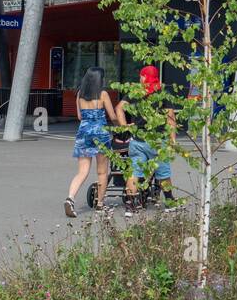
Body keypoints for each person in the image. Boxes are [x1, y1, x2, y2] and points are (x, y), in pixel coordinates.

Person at [112, 66, 181, 210]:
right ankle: (169, 203)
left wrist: (125, 126)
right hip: (158, 141)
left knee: (134, 173)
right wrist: (172, 138)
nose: (140, 79)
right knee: (163, 173)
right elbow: (170, 117)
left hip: (137, 141)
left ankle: (130, 205)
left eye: (141, 76)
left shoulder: (136, 93)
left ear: (145, 77)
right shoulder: (162, 94)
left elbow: (118, 108)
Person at [65, 67, 117, 218]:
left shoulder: (80, 94)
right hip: (100, 134)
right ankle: (100, 204)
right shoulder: (103, 94)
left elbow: (80, 117)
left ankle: (70, 198)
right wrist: (120, 125)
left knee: (82, 172)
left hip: (84, 133)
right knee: (101, 172)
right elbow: (112, 116)